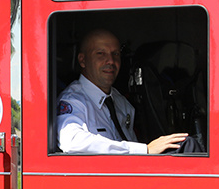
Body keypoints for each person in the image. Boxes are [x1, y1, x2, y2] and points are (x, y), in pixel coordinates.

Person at [56, 29, 188, 154]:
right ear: (83, 60)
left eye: (116, 54)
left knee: (186, 144)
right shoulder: (72, 101)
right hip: (101, 176)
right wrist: (144, 150)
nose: (111, 61)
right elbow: (72, 142)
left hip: (131, 173)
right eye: (101, 53)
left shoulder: (120, 101)